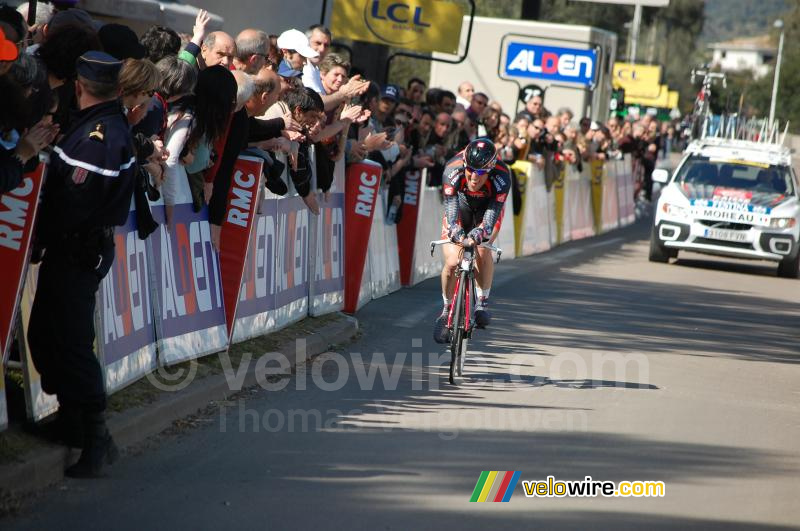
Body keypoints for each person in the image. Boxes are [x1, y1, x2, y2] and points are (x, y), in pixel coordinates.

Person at [27, 51, 136, 478]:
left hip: (77, 249)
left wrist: (41, 236)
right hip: (72, 248)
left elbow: (74, 201)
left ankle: (97, 437)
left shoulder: (100, 135)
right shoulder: (95, 126)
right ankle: (73, 421)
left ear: (79, 85)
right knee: (46, 335)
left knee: (71, 343)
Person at [433, 139, 510, 343]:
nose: (475, 177)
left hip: (486, 210)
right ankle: (446, 310)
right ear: (465, 165)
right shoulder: (452, 168)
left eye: (482, 173)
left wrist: (480, 232)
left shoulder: (502, 175)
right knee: (451, 262)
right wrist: (456, 231)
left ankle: (481, 303)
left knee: (483, 249)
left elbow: (492, 215)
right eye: (471, 170)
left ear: (491, 170)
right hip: (460, 207)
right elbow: (450, 208)